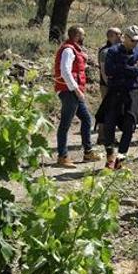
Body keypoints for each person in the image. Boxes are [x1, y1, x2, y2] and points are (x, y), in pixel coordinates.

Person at [97, 26, 138, 169]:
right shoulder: (112, 51)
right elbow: (109, 70)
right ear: (125, 38)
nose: (135, 43)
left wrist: (123, 68)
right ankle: (110, 155)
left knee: (130, 125)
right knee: (109, 123)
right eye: (133, 40)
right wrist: (129, 68)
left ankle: (121, 157)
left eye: (137, 41)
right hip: (115, 91)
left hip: (132, 92)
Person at [53, 25, 100, 168]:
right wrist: (76, 90)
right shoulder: (68, 50)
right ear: (76, 36)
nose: (83, 37)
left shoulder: (73, 49)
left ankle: (88, 152)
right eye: (82, 35)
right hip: (69, 92)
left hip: (73, 91)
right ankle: (62, 156)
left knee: (86, 119)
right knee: (65, 125)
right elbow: (65, 71)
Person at [98, 27, 122, 102]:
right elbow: (103, 70)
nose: (121, 36)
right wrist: (109, 85)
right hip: (108, 86)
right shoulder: (105, 51)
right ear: (111, 36)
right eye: (119, 34)